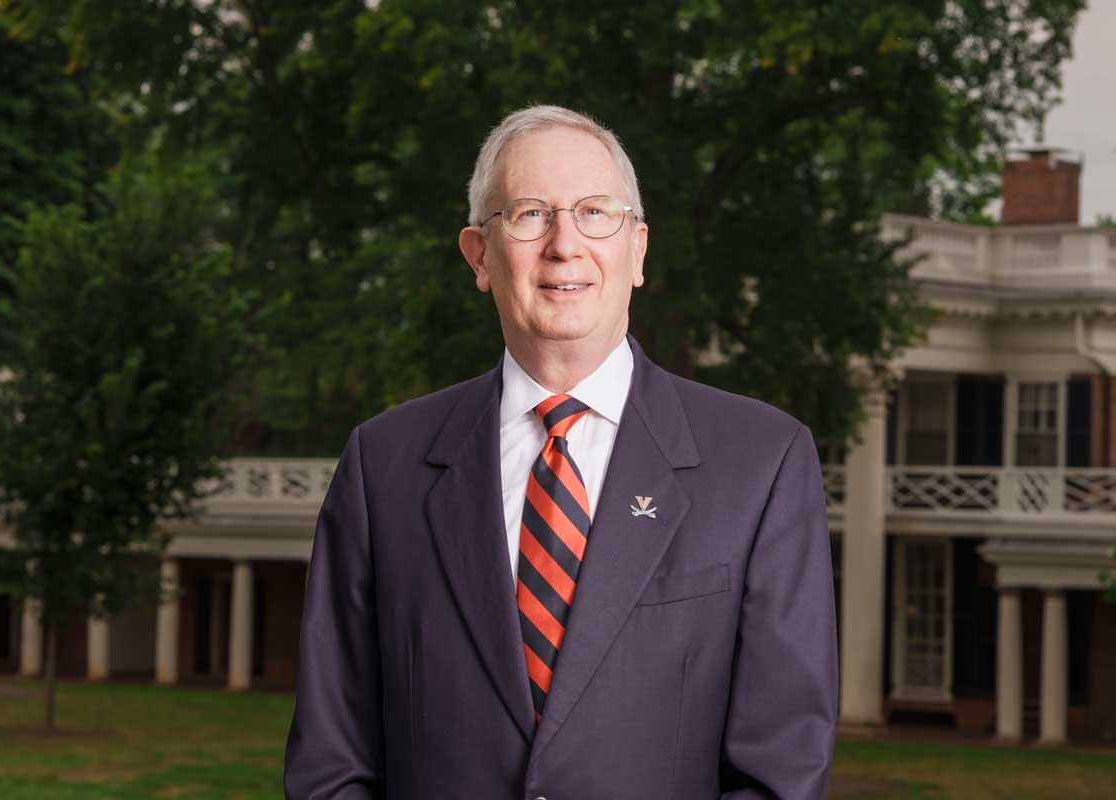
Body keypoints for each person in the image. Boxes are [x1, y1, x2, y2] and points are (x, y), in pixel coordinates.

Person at [284, 105, 837, 799]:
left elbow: (782, 772)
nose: (564, 244)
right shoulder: (381, 467)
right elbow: (330, 768)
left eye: (595, 213)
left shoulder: (763, 464)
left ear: (637, 250)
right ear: (479, 256)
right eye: (528, 215)